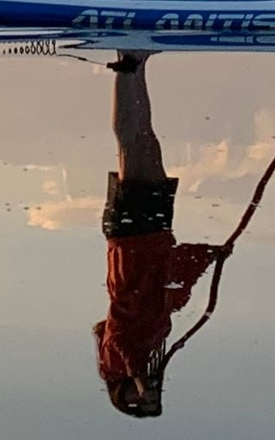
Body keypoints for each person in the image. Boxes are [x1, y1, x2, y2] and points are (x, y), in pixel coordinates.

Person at [93, 56, 222, 418]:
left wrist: (135, 373)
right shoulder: (154, 340)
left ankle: (127, 66)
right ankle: (137, 65)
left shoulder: (118, 355)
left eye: (137, 397)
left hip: (131, 239)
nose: (144, 391)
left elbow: (114, 330)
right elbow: (173, 291)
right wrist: (209, 255)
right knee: (146, 138)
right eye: (150, 396)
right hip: (155, 235)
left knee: (132, 146)